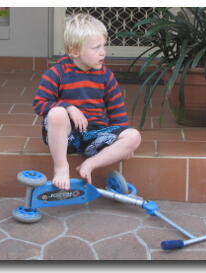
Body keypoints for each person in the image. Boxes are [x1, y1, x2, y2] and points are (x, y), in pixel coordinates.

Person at [33, 13, 141, 190]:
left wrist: (122, 142)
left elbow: (117, 111)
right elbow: (40, 103)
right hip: (65, 137)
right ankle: (61, 167)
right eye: (96, 48)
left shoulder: (105, 75)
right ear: (74, 51)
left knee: (133, 135)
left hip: (93, 137)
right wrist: (68, 107)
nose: (102, 52)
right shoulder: (57, 73)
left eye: (103, 46)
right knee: (57, 113)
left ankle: (89, 164)